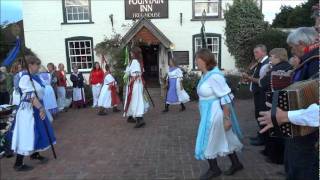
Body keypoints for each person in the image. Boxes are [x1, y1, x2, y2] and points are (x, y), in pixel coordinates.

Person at [259, 27, 319, 180]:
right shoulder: (307, 61)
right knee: (294, 164)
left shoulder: (314, 62)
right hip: (300, 127)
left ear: (301, 44)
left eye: (292, 47)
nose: (291, 51)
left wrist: (286, 115)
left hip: (308, 133)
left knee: (302, 168)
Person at [194, 49, 243, 180]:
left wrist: (226, 119)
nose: (195, 62)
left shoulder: (215, 76)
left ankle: (214, 169)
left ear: (204, 60)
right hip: (208, 112)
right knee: (226, 137)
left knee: (208, 138)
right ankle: (236, 163)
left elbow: (225, 98)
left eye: (197, 59)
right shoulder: (206, 75)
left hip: (214, 113)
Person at [10, 55, 56, 172]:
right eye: (37, 65)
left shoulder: (32, 77)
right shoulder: (25, 78)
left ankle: (34, 154)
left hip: (34, 108)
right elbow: (30, 96)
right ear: (30, 65)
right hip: (28, 110)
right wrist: (40, 108)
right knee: (26, 134)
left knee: (38, 131)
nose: (38, 67)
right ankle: (18, 163)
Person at [259, 48, 292, 164]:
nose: (270, 59)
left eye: (271, 56)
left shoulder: (276, 69)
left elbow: (262, 83)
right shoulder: (289, 67)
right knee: (282, 130)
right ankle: (278, 155)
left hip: (275, 102)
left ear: (278, 57)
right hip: (287, 103)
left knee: (275, 130)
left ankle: (276, 157)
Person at [243, 44, 270, 146]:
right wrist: (249, 78)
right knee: (258, 114)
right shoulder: (260, 63)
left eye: (257, 52)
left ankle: (263, 139)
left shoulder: (266, 64)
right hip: (258, 93)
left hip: (262, 94)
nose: (255, 54)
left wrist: (249, 78)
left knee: (261, 115)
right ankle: (261, 135)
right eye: (254, 52)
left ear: (263, 52)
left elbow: (261, 81)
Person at [123, 47, 149, 128]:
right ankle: (131, 116)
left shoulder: (134, 61)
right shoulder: (138, 61)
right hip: (136, 84)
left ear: (135, 53)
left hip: (135, 84)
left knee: (135, 100)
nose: (130, 54)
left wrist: (130, 81)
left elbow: (136, 74)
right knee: (133, 100)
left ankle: (139, 119)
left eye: (131, 53)